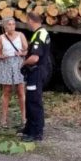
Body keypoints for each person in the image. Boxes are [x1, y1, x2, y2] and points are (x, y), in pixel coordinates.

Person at [20, 12, 51, 142]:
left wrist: (23, 63)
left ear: (31, 20)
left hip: (36, 71)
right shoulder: (41, 33)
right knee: (30, 100)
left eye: (27, 21)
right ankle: (29, 128)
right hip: (38, 71)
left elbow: (35, 57)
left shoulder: (39, 34)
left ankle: (36, 133)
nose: (27, 24)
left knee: (33, 102)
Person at [0, 17, 28, 129]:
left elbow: (27, 50)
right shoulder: (1, 38)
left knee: (21, 91)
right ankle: (3, 119)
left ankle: (24, 118)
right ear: (5, 26)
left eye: (13, 24)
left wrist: (21, 53)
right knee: (6, 91)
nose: (11, 26)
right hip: (6, 64)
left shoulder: (21, 35)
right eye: (9, 24)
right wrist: (2, 56)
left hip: (19, 63)